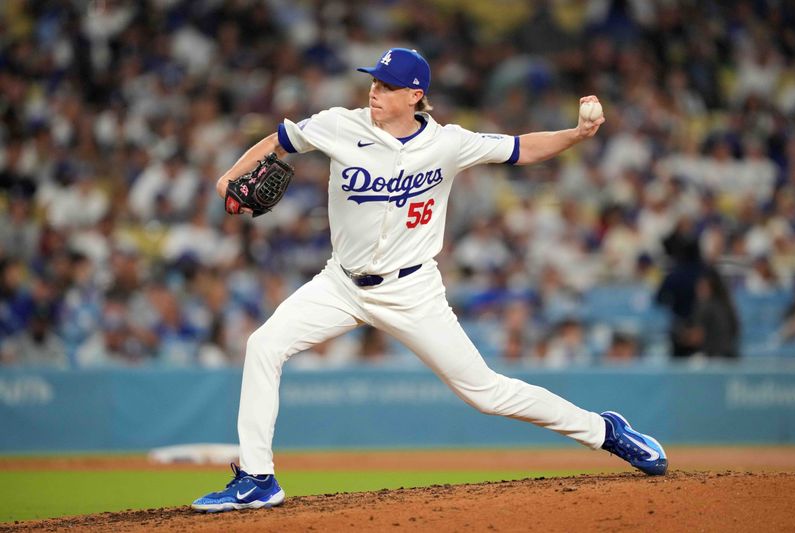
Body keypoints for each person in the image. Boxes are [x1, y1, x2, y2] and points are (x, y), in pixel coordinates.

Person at [191, 48, 668, 513]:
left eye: (387, 86)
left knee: (486, 392)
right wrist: (228, 177)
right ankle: (257, 479)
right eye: (374, 82)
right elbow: (278, 141)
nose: (374, 92)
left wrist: (577, 135)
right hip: (340, 283)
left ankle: (605, 431)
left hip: (412, 290)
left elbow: (522, 148)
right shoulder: (340, 124)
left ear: (415, 95)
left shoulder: (448, 143)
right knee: (263, 346)